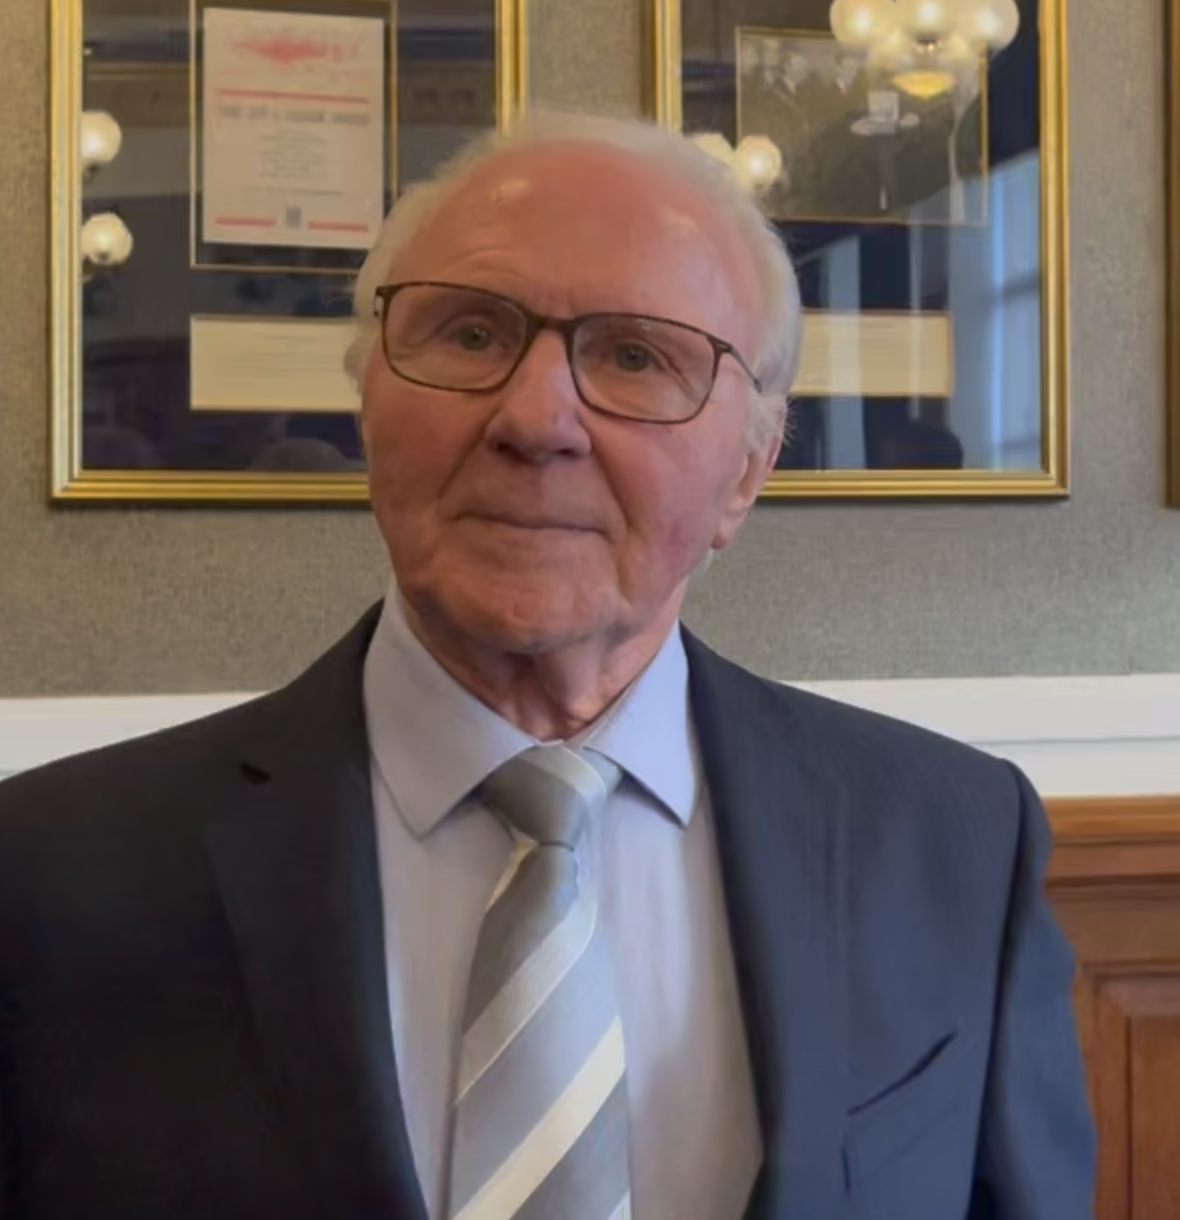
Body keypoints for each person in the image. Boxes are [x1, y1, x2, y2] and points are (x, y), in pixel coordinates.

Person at [0, 112, 1094, 1220]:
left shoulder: (956, 840)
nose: (535, 419)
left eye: (636, 355)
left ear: (746, 472)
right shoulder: (47, 870)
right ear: (368, 403)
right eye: (471, 333)